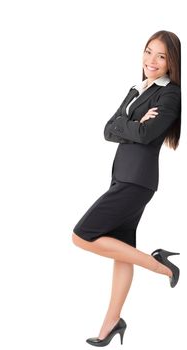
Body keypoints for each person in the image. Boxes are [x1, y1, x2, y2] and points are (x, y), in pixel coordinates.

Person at [72, 30, 181, 347]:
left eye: (161, 56)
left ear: (171, 61)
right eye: (149, 52)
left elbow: (147, 134)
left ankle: (160, 264)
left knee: (81, 235)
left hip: (137, 180)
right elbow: (108, 129)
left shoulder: (170, 95)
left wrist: (129, 125)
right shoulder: (138, 88)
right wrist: (133, 123)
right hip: (124, 177)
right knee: (122, 252)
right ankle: (112, 323)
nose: (152, 60)